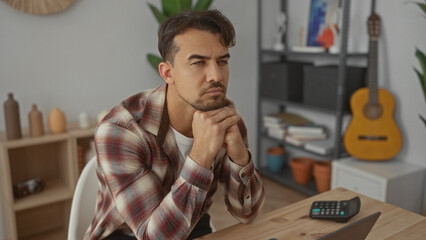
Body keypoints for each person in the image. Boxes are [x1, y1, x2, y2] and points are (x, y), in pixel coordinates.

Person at [84, 9, 265, 240]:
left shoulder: (225, 118)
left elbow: (247, 214)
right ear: (168, 73)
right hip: (125, 234)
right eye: (199, 62)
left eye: (222, 61)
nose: (216, 76)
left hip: (190, 223)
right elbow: (153, 236)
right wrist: (200, 156)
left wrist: (239, 156)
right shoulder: (120, 130)